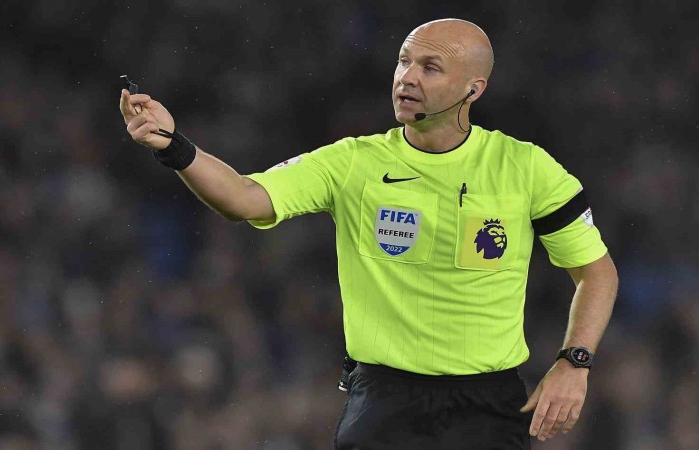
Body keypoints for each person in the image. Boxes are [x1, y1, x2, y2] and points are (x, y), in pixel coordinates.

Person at [119, 18, 618, 450]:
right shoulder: (354, 162)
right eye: (403, 62)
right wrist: (174, 146)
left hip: (489, 408)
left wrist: (573, 363)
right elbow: (243, 197)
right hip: (384, 403)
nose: (407, 78)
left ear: (474, 89)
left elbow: (596, 273)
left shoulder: (525, 168)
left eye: (430, 68)